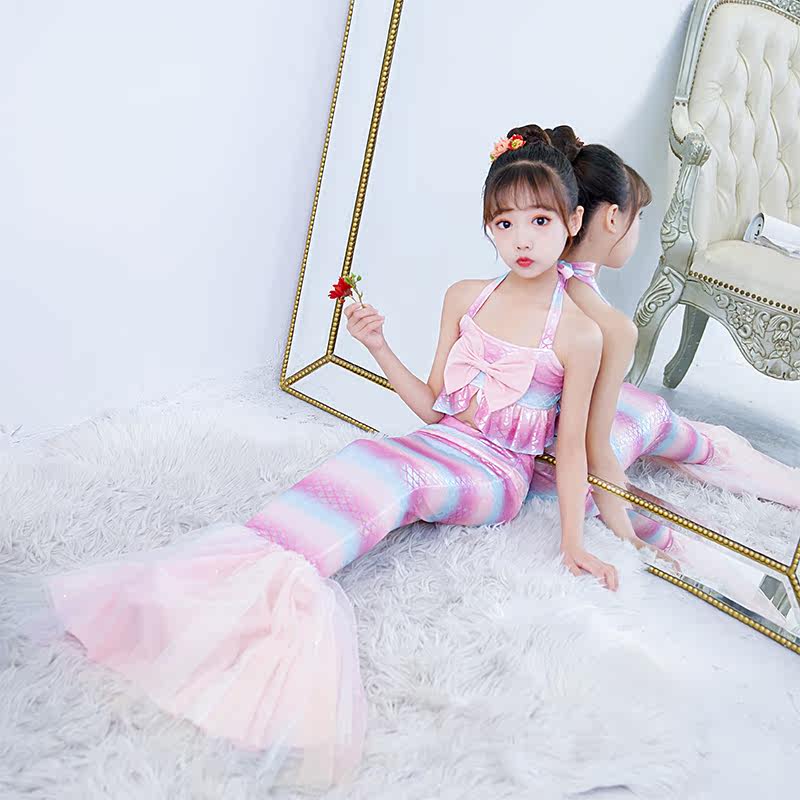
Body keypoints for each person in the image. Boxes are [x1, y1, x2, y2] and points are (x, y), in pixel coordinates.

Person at [38, 126, 614, 792]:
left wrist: (573, 541)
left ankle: (280, 593)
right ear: (488, 227)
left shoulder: (580, 333)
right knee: (368, 452)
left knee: (401, 477)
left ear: (573, 223)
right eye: (505, 223)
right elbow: (433, 410)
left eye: (540, 221)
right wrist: (377, 345)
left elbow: (569, 447)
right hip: (443, 440)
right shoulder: (466, 296)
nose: (522, 239)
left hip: (498, 474)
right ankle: (239, 569)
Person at [523, 123, 800, 553]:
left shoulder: (534, 281)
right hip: (561, 457)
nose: (638, 229)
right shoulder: (608, 323)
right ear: (613, 218)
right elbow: (595, 448)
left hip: (528, 440)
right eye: (638, 218)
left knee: (648, 409)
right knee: (667, 421)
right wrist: (625, 522)